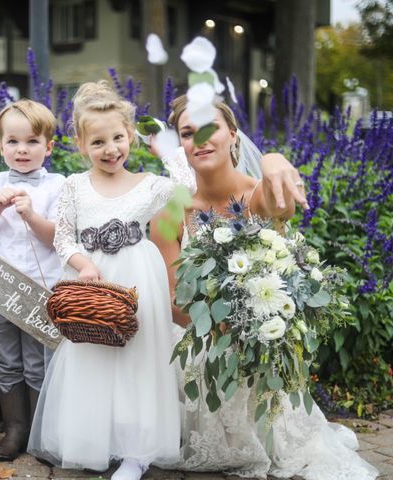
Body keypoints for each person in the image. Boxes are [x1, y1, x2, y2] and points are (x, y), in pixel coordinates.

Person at [150, 95, 379, 480]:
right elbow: (175, 303)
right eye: (188, 133)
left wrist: (273, 158)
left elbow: (283, 205)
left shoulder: (258, 195)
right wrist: (224, 327)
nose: (200, 140)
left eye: (210, 128)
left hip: (259, 341)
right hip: (201, 340)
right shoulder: (169, 215)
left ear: (233, 135)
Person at [27, 80, 184, 480]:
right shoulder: (74, 186)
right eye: (98, 142)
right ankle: (92, 439)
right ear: (80, 145)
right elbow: (62, 236)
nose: (111, 149)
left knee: (136, 361)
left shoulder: (149, 185)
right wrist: (82, 264)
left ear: (129, 135)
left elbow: (190, 188)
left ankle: (136, 452)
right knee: (93, 359)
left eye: (118, 137)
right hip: (92, 283)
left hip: (137, 280)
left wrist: (165, 150)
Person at [0, 99, 65, 461]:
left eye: (32, 141)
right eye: (13, 142)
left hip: (43, 292)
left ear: (49, 147)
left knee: (39, 363)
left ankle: (40, 432)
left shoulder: (59, 186)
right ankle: (15, 430)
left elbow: (58, 237)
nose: (22, 149)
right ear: (0, 146)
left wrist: (31, 215)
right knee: (7, 361)